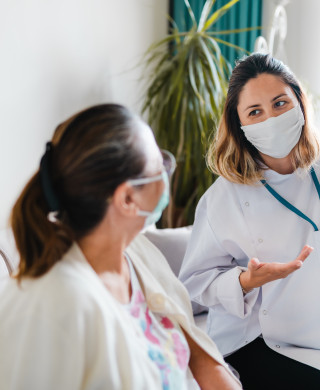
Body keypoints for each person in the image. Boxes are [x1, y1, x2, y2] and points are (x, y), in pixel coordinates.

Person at [0, 104, 241, 390]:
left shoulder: (137, 256)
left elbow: (195, 348)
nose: (167, 172)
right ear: (127, 199)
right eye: (159, 166)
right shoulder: (51, 306)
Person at [179, 53, 320, 389]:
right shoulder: (223, 197)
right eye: (255, 112)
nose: (271, 118)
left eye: (280, 103)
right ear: (239, 123)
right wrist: (245, 281)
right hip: (257, 340)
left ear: (300, 103)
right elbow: (193, 283)